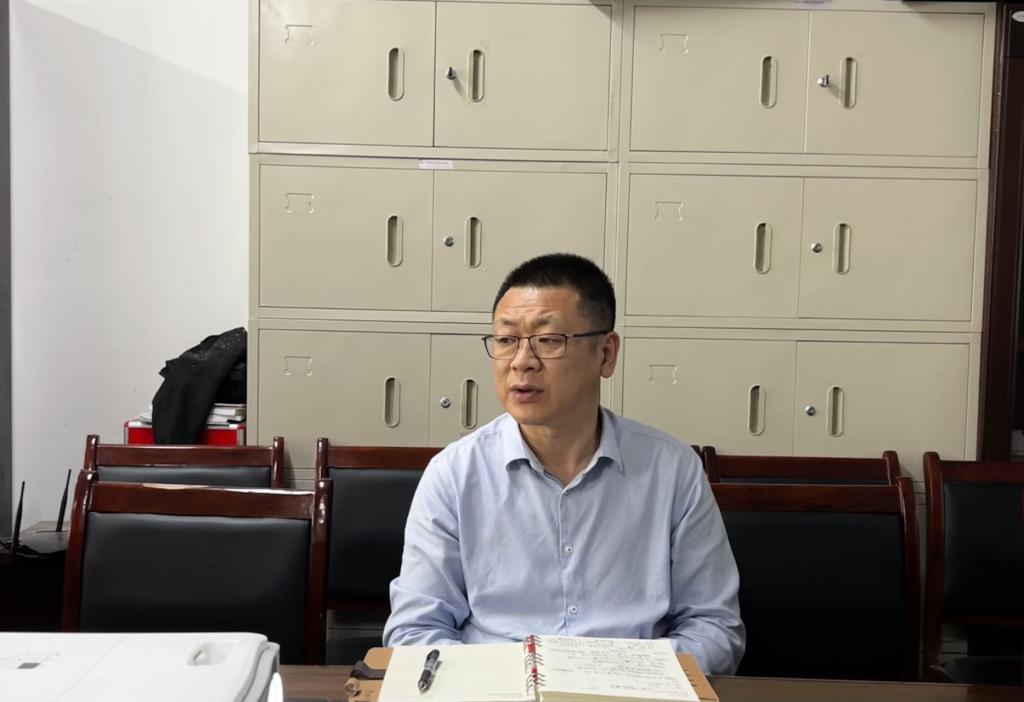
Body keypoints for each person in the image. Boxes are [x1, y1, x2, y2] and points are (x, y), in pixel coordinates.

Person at [383, 253, 745, 674]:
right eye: (506, 340)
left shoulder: (673, 470)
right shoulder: (453, 474)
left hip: (630, 691)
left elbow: (714, 626)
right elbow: (415, 630)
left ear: (606, 353)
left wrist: (628, 679)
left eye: (548, 340)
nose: (522, 361)